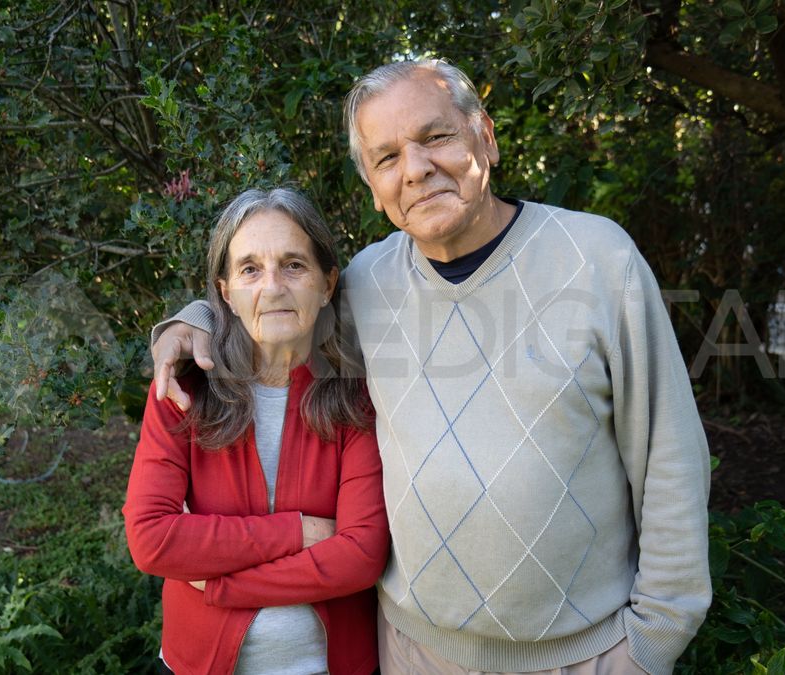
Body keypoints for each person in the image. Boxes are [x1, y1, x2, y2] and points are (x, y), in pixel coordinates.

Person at [151, 60, 711, 675]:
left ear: (486, 137)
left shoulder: (598, 260)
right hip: (413, 652)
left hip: (586, 656)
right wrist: (193, 319)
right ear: (372, 186)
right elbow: (273, 304)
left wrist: (654, 641)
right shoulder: (366, 285)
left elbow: (671, 459)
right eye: (387, 157)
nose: (416, 169)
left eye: (436, 137)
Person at [124, 187, 389, 675]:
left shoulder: (357, 395)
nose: (272, 287)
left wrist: (222, 585)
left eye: (294, 265)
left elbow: (361, 556)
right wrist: (298, 531)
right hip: (197, 664)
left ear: (327, 283)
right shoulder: (183, 389)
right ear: (226, 292)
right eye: (250, 269)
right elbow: (152, 539)